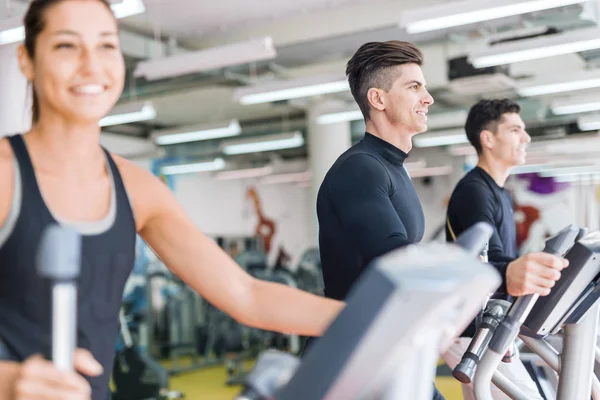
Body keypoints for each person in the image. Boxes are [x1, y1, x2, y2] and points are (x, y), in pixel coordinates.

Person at [0, 1, 344, 399]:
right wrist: (8, 382)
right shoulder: (6, 176)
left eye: (106, 46)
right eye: (67, 46)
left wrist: (373, 318)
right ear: (26, 59)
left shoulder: (136, 188)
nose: (91, 66)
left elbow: (246, 294)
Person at [314, 40, 444, 400]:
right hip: (358, 356)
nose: (428, 97)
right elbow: (398, 261)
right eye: (414, 87)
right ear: (378, 98)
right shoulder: (361, 169)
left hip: (388, 346)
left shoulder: (389, 168)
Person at [442, 99, 569, 400]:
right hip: (473, 330)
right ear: (488, 139)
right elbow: (488, 264)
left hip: (493, 323)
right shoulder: (475, 191)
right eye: (515, 130)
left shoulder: (499, 193)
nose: (525, 138)